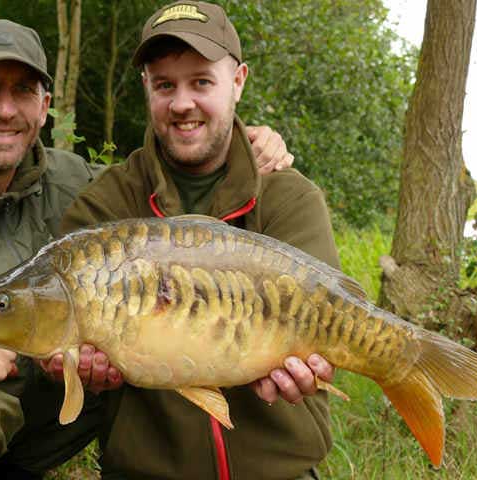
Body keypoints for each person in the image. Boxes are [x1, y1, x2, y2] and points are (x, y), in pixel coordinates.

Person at [0, 18, 293, 480]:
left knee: (143, 347)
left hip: (18, 421)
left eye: (22, 92)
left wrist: (240, 143)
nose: (4, 109)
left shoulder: (70, 181)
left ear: (45, 106)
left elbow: (153, 187)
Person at [60, 2, 340, 479]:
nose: (182, 102)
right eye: (165, 84)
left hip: (278, 469)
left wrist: (319, 366)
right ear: (147, 88)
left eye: (201, 82)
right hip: (146, 470)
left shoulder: (289, 197)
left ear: (238, 81)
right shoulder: (106, 205)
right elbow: (62, 344)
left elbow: (334, 324)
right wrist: (73, 367)